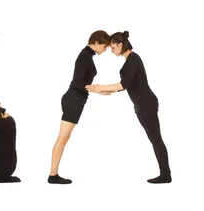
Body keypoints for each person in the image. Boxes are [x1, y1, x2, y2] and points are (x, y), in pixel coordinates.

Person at [85, 31, 172, 184]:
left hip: (147, 104)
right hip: (140, 105)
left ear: (120, 44)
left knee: (156, 139)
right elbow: (123, 86)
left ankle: (166, 174)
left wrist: (101, 87)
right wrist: (101, 91)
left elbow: (123, 85)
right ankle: (165, 174)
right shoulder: (129, 61)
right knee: (153, 138)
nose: (111, 51)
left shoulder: (133, 59)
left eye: (113, 47)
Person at [48, 30, 111, 184]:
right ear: (96, 43)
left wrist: (98, 91)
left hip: (75, 98)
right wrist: (98, 89)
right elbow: (78, 82)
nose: (105, 49)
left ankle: (53, 174)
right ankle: (53, 175)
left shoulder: (87, 55)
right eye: (104, 46)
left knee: (64, 138)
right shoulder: (85, 56)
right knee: (62, 139)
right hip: (74, 99)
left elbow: (82, 83)